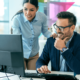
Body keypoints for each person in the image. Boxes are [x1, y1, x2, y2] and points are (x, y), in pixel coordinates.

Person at [11, 0, 55, 70]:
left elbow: (45, 31)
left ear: (37, 9)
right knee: (21, 76)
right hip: (20, 53)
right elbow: (17, 39)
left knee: (33, 76)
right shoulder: (17, 19)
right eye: (25, 9)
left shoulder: (42, 17)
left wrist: (52, 35)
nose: (28, 13)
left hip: (34, 54)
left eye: (31, 10)